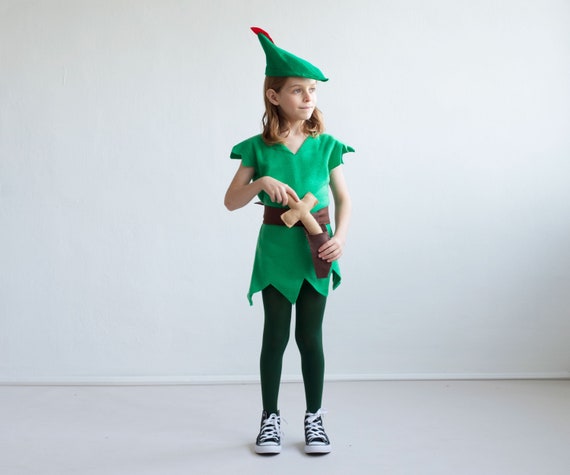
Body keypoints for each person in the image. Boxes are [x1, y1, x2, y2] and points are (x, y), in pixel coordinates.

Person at [224, 27, 354, 455]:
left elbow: (343, 199)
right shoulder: (257, 149)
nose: (307, 97)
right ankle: (270, 418)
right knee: (275, 335)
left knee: (310, 337)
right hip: (276, 250)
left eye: (312, 90)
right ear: (274, 96)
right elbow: (231, 201)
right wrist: (260, 182)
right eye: (297, 90)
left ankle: (314, 417)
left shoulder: (327, 145)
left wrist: (341, 239)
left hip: (318, 247)